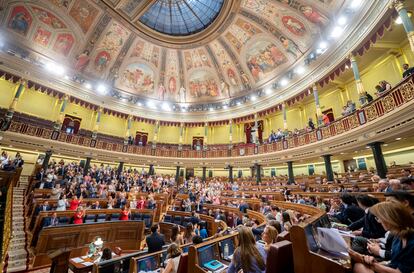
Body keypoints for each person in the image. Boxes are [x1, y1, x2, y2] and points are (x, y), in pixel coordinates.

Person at [350, 201, 414, 273]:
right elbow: (394, 262)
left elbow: (400, 271)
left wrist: (368, 262)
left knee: (359, 266)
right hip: (391, 265)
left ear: (390, 218)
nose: (379, 221)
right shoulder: (397, 235)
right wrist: (374, 261)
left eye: (379, 218)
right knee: (358, 265)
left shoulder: (411, 241)